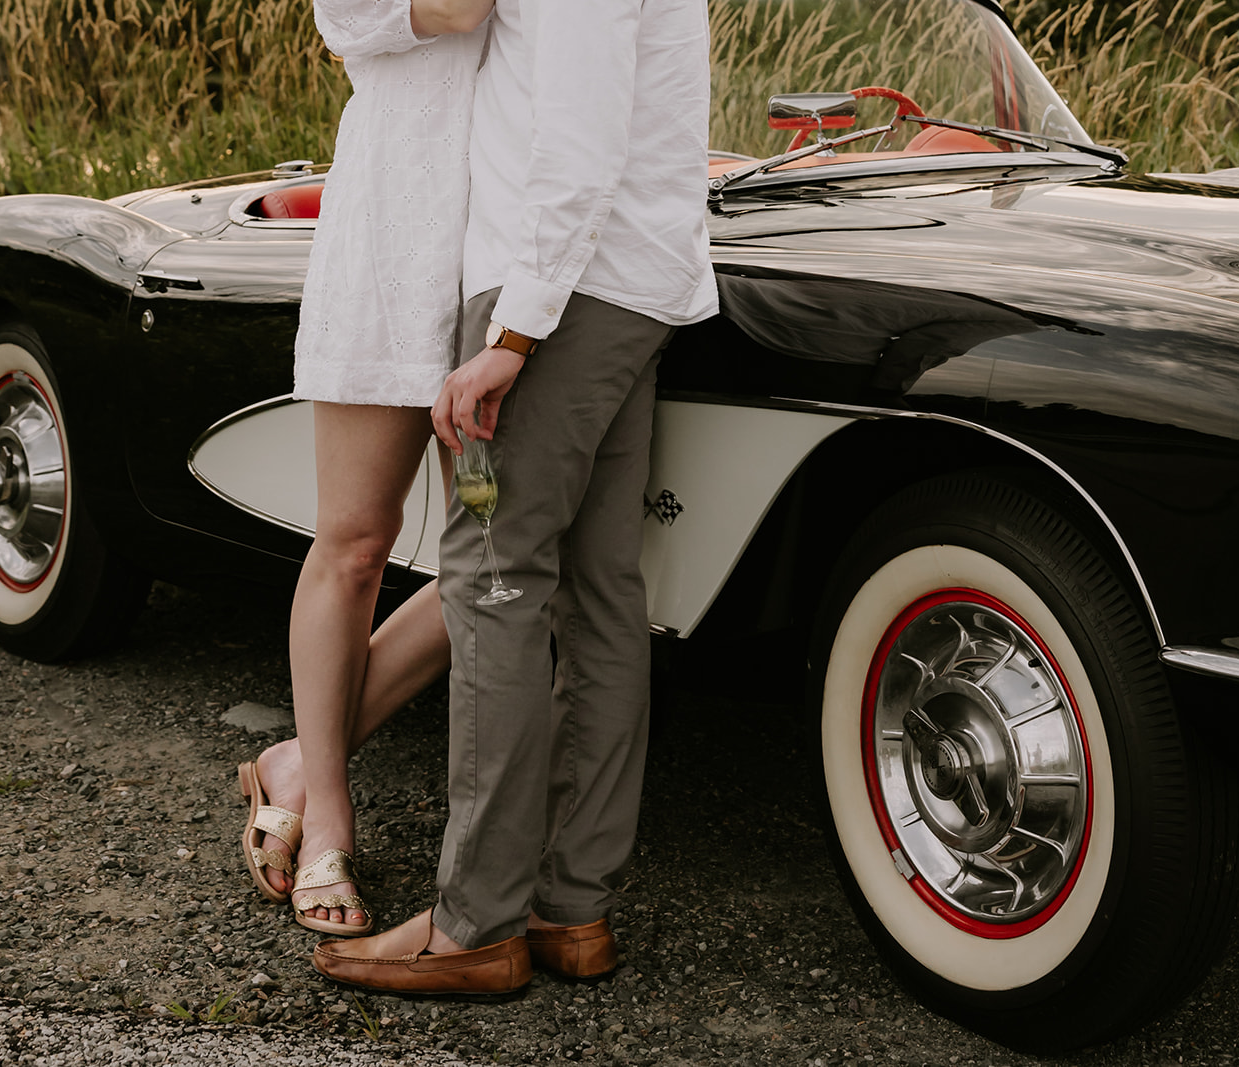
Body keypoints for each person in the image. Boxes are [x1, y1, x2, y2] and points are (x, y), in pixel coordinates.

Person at [311, 0, 719, 994]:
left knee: (493, 582)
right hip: (628, 280)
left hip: (560, 293)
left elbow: (575, 136)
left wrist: (515, 334)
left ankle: (475, 924)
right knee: (599, 591)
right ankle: (569, 907)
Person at [237, 0, 494, 938]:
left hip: (517, 255)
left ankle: (299, 763)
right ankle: (328, 820)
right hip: (397, 235)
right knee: (354, 544)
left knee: (506, 552)